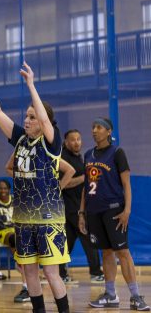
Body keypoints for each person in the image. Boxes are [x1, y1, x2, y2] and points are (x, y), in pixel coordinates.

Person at [0, 62, 73, 313]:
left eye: (31, 117)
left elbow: (45, 120)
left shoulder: (51, 141)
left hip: (48, 220)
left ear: (43, 121)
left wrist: (31, 85)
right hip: (24, 218)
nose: (26, 121)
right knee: (29, 271)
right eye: (25, 117)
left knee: (50, 272)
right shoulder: (20, 140)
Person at [80, 117, 149, 311]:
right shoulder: (88, 155)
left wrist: (126, 210)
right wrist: (81, 212)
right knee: (106, 252)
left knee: (123, 252)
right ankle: (110, 294)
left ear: (109, 131)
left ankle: (135, 296)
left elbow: (126, 184)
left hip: (114, 210)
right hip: (93, 212)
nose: (94, 130)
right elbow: (86, 187)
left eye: (99, 127)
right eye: (93, 127)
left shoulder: (117, 153)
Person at [57, 129, 103, 283]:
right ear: (66, 142)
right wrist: (83, 177)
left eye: (78, 139)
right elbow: (62, 184)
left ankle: (61, 275)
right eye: (72, 139)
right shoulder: (62, 158)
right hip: (70, 208)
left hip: (78, 206)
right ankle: (96, 272)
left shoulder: (79, 158)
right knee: (88, 237)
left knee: (67, 243)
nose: (76, 142)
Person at [0, 178, 30, 303]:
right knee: (14, 237)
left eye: (5, 188)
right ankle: (19, 261)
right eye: (0, 188)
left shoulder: (15, 200)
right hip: (1, 232)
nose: (2, 190)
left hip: (16, 230)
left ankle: (23, 264)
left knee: (23, 237)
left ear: (9, 189)